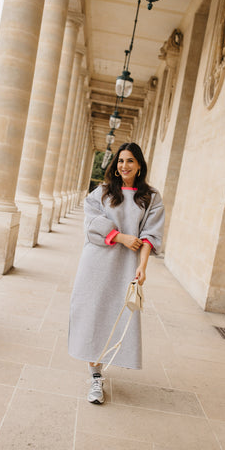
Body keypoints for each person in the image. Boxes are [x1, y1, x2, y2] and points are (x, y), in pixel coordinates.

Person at [68, 142, 165, 404]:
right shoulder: (102, 192)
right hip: (97, 262)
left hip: (127, 266)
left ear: (140, 165)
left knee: (117, 315)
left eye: (130, 161)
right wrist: (120, 236)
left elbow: (150, 235)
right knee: (93, 312)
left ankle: (101, 368)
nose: (124, 166)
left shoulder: (152, 197)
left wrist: (142, 266)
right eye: (121, 160)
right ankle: (95, 375)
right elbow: (91, 224)